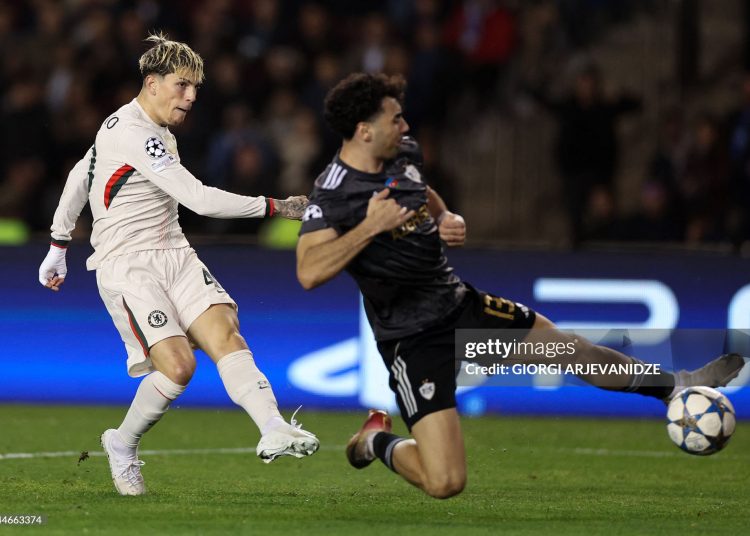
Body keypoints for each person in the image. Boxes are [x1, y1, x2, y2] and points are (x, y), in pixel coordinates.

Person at [295, 72, 746, 499]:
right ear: (364, 130)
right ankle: (376, 443)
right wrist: (368, 228)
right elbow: (309, 272)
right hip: (414, 342)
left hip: (467, 315)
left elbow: (422, 190)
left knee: (569, 350)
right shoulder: (334, 195)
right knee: (446, 481)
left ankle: (676, 386)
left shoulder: (405, 151)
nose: (405, 124)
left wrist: (444, 215)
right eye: (394, 117)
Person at [38, 33, 319, 497]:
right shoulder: (133, 133)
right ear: (152, 83)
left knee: (226, 331)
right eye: (181, 86)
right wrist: (276, 206)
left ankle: (272, 427)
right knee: (179, 367)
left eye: (195, 89)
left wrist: (58, 243)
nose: (190, 97)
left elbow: (79, 175)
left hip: (176, 253)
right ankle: (122, 444)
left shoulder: (136, 129)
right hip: (128, 264)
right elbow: (198, 198)